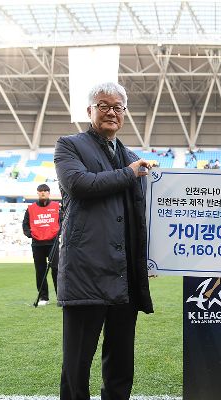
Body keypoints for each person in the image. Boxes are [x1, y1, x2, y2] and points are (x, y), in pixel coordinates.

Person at [54, 82, 154, 400]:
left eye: (117, 107)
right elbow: (79, 184)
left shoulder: (131, 157)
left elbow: (145, 214)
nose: (111, 112)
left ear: (124, 113)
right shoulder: (69, 145)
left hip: (124, 273)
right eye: (103, 106)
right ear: (90, 111)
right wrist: (129, 173)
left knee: (121, 362)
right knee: (77, 363)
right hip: (87, 270)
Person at [22, 183, 60, 306]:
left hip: (53, 243)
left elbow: (63, 221)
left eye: (45, 190)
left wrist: (59, 233)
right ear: (37, 193)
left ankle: (60, 296)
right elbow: (25, 224)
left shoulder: (57, 207)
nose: (43, 192)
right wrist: (31, 235)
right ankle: (44, 297)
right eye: (40, 190)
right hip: (37, 244)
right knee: (40, 270)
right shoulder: (31, 208)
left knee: (56, 269)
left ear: (49, 193)